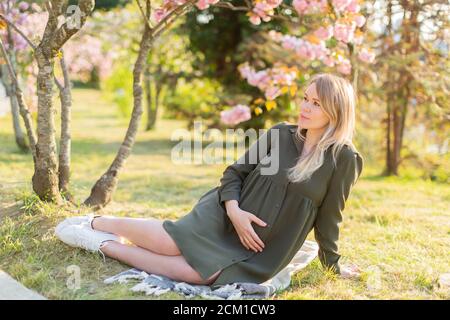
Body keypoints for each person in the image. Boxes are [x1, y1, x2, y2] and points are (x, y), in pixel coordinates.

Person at [55, 73, 364, 289]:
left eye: (316, 104)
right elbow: (234, 174)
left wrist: (333, 266)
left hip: (263, 247)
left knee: (203, 275)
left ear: (336, 112)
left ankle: (105, 246)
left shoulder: (344, 159)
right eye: (306, 99)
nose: (305, 108)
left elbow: (329, 219)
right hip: (226, 214)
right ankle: (96, 223)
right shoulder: (280, 135)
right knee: (169, 243)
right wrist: (235, 212)